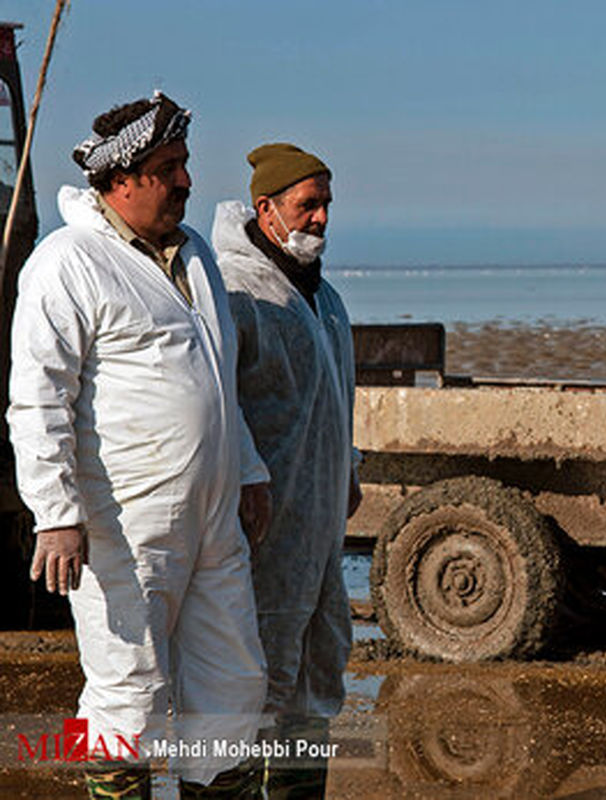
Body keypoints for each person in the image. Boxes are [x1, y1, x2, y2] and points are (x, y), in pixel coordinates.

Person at [6, 92, 271, 797]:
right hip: (123, 525)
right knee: (129, 693)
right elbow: (37, 399)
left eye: (184, 163)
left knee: (233, 686)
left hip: (213, 520)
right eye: (170, 167)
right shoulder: (67, 263)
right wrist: (56, 515)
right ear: (122, 182)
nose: (187, 180)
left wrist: (248, 469)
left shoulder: (196, 257)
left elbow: (216, 375)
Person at [211, 142, 359, 797]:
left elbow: (339, 399)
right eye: (308, 204)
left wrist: (347, 469)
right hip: (261, 532)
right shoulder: (238, 293)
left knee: (314, 675)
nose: (322, 218)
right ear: (266, 208)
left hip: (320, 525)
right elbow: (216, 403)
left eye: (327, 204)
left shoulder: (324, 298)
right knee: (253, 678)